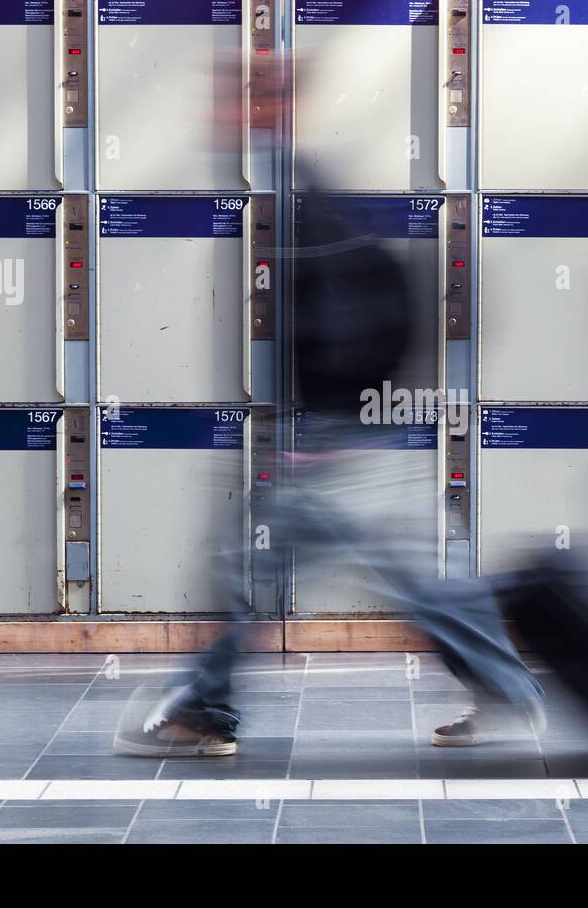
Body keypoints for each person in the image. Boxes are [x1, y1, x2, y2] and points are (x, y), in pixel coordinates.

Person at [114, 188, 544, 758]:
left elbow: (336, 348)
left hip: (331, 454)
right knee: (424, 585)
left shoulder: (318, 249)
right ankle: (509, 692)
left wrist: (325, 421)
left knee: (241, 568)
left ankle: (199, 709)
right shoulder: (363, 251)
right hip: (362, 442)